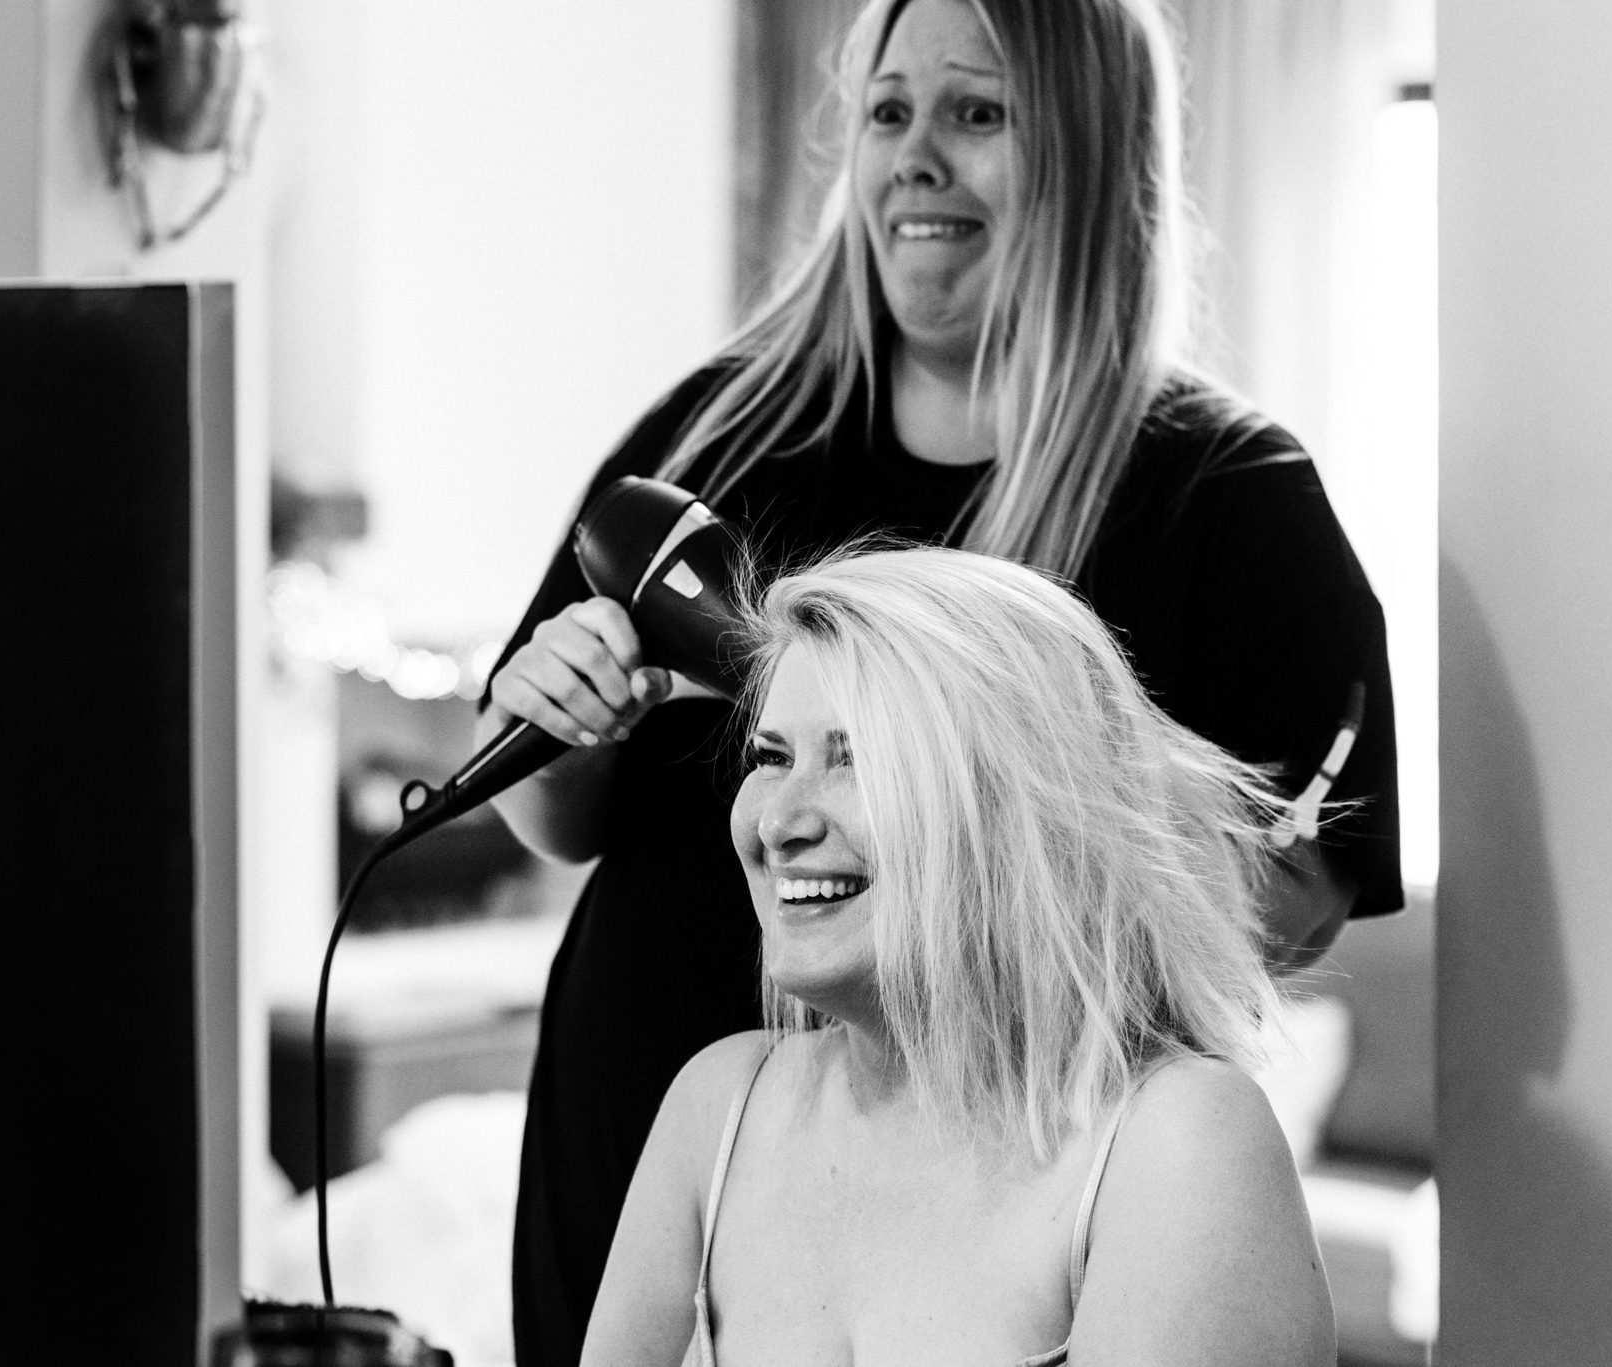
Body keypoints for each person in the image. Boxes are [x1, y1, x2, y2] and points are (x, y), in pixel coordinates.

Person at [481, 0, 1400, 1360]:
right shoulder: (725, 425)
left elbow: (1292, 893)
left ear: (1093, 149)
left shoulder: (1223, 493)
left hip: (992, 1177)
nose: (916, 157)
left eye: (978, 113)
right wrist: (561, 721)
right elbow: (557, 818)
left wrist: (1016, 799)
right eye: (887, 112)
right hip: (659, 1143)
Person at [582, 546, 1336, 1366]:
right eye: (772, 757)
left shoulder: (1176, 1140)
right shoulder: (719, 1106)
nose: (779, 821)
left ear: (1017, 805)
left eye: (856, 758)